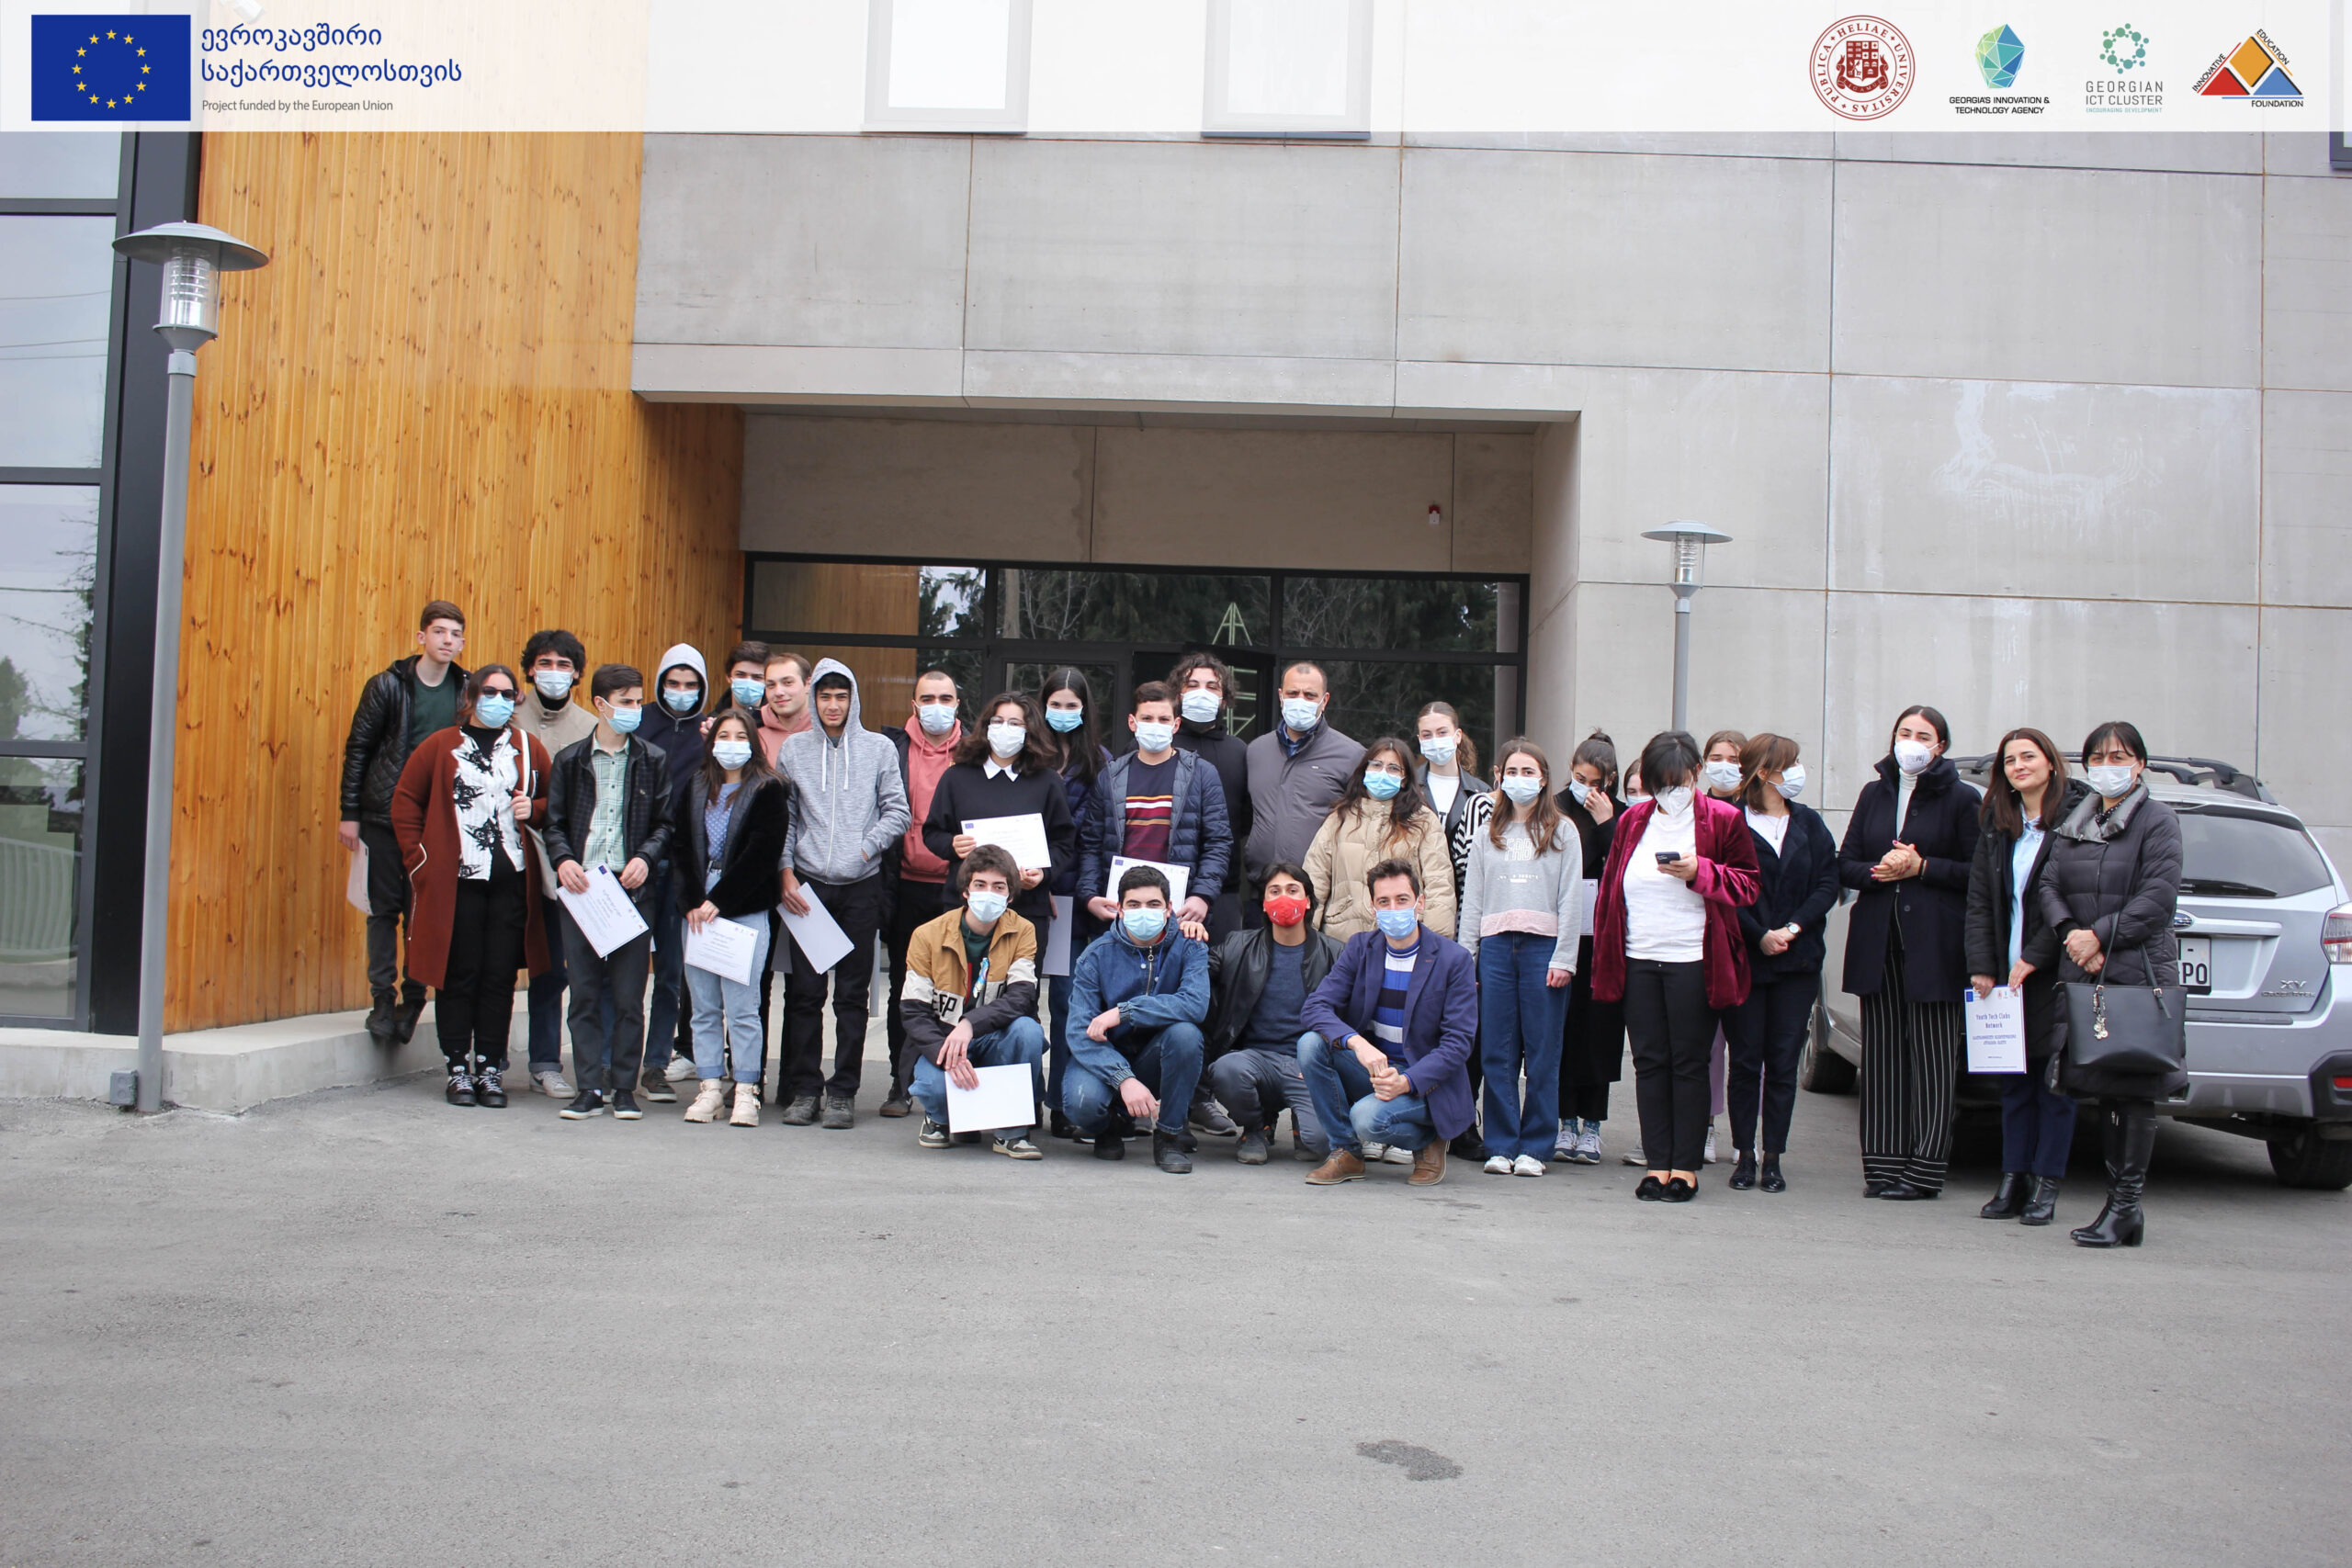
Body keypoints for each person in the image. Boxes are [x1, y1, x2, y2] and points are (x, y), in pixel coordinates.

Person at [1589, 731, 1760, 1202]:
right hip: (1639, 956)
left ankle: (1685, 1167)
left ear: (1696, 774)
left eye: (1678, 781)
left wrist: (1700, 872)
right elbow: (1612, 888)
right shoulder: (1633, 820)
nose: (1670, 791)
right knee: (1649, 1061)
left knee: (1689, 1062)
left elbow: (1748, 884)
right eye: (1660, 783)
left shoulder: (1722, 819)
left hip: (1694, 958)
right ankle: (1657, 1163)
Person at [2038, 720, 2185, 1249]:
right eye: (2097, 758)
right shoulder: (2076, 820)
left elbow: (2158, 897)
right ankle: (2122, 1211)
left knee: (2134, 1090)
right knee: (2104, 1089)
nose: (2107, 767)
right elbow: (2050, 884)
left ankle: (2124, 1207)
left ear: (2140, 763)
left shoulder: (2158, 821)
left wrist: (2098, 936)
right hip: (2085, 968)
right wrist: (2072, 934)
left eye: (2118, 757)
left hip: (2137, 971)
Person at [388, 665, 555, 1107]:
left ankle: (490, 1069)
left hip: (510, 881)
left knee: (499, 976)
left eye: (507, 693)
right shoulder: (440, 745)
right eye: (489, 691)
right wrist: (419, 861)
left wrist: (534, 808)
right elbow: (405, 801)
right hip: (457, 883)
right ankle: (458, 1069)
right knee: (458, 975)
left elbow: (555, 801)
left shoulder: (527, 747)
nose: (498, 700)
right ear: (472, 695)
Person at [1838, 704, 1981, 1200]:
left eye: (1923, 735)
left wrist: (1923, 868)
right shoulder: (1874, 793)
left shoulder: (1963, 799)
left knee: (1933, 1058)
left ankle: (1924, 1170)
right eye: (1905, 732)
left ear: (1940, 746)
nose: (1912, 742)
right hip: (1879, 941)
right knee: (1881, 1058)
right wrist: (1879, 871)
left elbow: (1977, 874)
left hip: (1935, 946)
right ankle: (1881, 1166)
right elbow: (1846, 864)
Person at [775, 660, 912, 1129]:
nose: (833, 705)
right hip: (808, 888)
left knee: (852, 997)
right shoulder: (794, 750)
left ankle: (842, 1093)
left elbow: (898, 811)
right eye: (824, 696)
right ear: (813, 699)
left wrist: (865, 848)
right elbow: (785, 819)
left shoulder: (878, 749)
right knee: (805, 994)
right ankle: (805, 1090)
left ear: (853, 699)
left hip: (861, 887)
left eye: (841, 696)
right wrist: (786, 872)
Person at [541, 664, 675, 1122]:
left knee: (628, 996)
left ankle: (623, 1088)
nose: (635, 709)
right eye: (626, 701)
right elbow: (554, 823)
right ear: (600, 704)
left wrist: (647, 857)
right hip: (583, 888)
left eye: (638, 701)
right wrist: (563, 860)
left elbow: (665, 824)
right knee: (582, 993)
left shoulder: (652, 759)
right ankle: (588, 1087)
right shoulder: (571, 760)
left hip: (632, 888)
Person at [1297, 858, 1478, 1188]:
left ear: (1420, 903)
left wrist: (1407, 1081)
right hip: (1377, 1069)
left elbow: (1458, 1043)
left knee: (1366, 1119)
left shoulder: (1454, 959)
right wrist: (1357, 1043)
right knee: (1310, 1044)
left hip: (1428, 1083)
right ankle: (1347, 1153)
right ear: (1373, 907)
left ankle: (1429, 1138)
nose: (1393, 909)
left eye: (1402, 900)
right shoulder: (1361, 948)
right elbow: (1315, 1006)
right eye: (1384, 901)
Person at [1966, 728, 2086, 1225]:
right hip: (2005, 977)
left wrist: (2036, 955)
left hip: (2056, 972)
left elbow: (2075, 899)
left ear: (2050, 763)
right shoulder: (1999, 822)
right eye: (2010, 760)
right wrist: (1982, 965)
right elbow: (1979, 900)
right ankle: (2012, 1179)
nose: (2019, 766)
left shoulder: (2078, 820)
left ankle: (2046, 1185)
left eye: (2028, 757)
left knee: (2054, 1085)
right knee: (2013, 1084)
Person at [339, 599, 468, 1049]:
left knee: (422, 912)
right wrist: (350, 814)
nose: (447, 640)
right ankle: (381, 999)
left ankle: (413, 1000)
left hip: (439, 821)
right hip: (383, 814)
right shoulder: (388, 685)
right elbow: (359, 748)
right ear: (421, 637)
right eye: (439, 632)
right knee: (383, 909)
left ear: (462, 643)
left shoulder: (466, 690)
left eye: (455, 634)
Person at [1458, 739, 1581, 1176]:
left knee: (1543, 1051)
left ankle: (1536, 1146)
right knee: (1497, 1051)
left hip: (1543, 949)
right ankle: (1501, 1143)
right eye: (1512, 771)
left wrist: (1565, 958)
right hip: (1495, 948)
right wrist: (1466, 957)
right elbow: (1473, 900)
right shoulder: (1486, 833)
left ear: (1544, 779)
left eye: (1529, 772)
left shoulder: (1563, 831)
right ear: (1499, 777)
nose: (1520, 779)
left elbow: (1570, 898)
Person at [1722, 733, 1838, 1192]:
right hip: (1747, 959)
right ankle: (1744, 1154)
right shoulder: (1731, 821)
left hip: (1798, 960)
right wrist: (1760, 934)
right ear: (1764, 772)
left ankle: (1773, 1156)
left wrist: (1792, 929)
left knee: (1783, 1062)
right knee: (1746, 1061)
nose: (1796, 773)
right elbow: (1723, 888)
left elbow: (1827, 883)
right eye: (1789, 765)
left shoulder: (1809, 822)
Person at [677, 710, 791, 1127]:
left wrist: (720, 900)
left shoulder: (768, 788)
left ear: (753, 743)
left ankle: (746, 1089)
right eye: (723, 736)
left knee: (743, 1007)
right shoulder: (695, 786)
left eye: (740, 736)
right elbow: (681, 846)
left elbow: (763, 852)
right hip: (697, 910)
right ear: (711, 743)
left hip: (743, 906)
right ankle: (709, 1087)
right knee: (703, 1006)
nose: (731, 744)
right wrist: (693, 900)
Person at [900, 844, 1047, 1159]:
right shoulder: (927, 935)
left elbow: (1021, 997)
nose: (988, 893)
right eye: (980, 884)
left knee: (1028, 1031)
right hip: (942, 1041)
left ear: (1010, 895)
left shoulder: (1024, 930)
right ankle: (940, 1118)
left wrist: (969, 1024)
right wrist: (948, 1057)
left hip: (993, 1037)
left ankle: (1011, 1131)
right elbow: (913, 1012)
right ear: (966, 891)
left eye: (999, 887)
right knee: (934, 1088)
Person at [1061, 865, 1210, 1173]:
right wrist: (1123, 1079)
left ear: (1169, 909)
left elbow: (1195, 1005)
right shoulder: (1095, 955)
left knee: (1186, 1035)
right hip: (1105, 1057)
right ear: (1119, 909)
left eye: (1153, 904)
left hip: (1156, 1056)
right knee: (1081, 1104)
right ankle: (1111, 1124)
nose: (1144, 911)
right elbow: (1079, 1031)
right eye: (1134, 904)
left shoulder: (1190, 946)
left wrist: (1126, 1011)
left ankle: (1169, 1135)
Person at [1197, 863, 1341, 1164]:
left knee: (1321, 1144)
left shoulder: (1335, 953)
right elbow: (1196, 973)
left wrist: (1326, 1062)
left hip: (1306, 1064)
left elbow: (1351, 1017)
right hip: (1254, 1061)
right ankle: (1255, 1127)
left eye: (1292, 890)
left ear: (1308, 901)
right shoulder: (1238, 945)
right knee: (1226, 1069)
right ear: (1264, 903)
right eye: (1274, 891)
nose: (1283, 898)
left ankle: (1303, 1125)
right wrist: (1187, 937)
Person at [1077, 682, 1233, 940]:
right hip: (1121, 912)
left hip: (1180, 914)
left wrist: (1202, 895)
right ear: (1132, 722)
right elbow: (1091, 843)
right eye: (1147, 718)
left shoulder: (1202, 774)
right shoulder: (1110, 777)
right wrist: (1090, 895)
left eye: (1163, 719)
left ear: (1176, 724)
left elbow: (1218, 842)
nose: (1155, 725)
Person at [514, 629, 598, 1099]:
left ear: (577, 674)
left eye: (563, 665)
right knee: (493, 965)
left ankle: (546, 1062)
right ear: (529, 669)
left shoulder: (589, 726)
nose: (553, 673)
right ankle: (485, 1059)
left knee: (553, 969)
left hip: (560, 867)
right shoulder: (507, 714)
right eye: (544, 663)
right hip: (506, 863)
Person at [880, 668, 967, 1119]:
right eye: (927, 698)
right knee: (906, 986)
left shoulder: (973, 751)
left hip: (958, 890)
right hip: (905, 886)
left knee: (958, 990)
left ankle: (953, 1078)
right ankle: (901, 1081)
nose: (937, 706)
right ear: (913, 705)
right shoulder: (891, 749)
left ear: (958, 704)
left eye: (945, 698)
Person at [923, 693, 1077, 931]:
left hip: (1026, 908)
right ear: (986, 726)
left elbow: (1064, 843)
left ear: (1030, 730)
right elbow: (932, 832)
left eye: (1015, 723)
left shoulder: (1048, 782)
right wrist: (952, 845)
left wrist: (1042, 873)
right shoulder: (957, 777)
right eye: (997, 721)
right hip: (964, 905)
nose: (1005, 728)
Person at [1040, 668, 1111, 1140]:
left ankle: (1063, 1103)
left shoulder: (1101, 762)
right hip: (1027, 892)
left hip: (1076, 901)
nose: (1063, 713)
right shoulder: (1028, 755)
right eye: (1055, 704)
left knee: (1068, 1003)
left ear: (1085, 710)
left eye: (1072, 705)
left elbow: (1093, 835)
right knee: (1016, 1000)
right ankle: (1018, 1100)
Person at [638, 642, 710, 1102]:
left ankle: (655, 1065)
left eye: (690, 685)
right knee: (621, 972)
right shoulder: (639, 721)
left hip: (681, 865)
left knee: (669, 973)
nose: (681, 691)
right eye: (673, 683)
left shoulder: (709, 732)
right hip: (635, 863)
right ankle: (609, 1064)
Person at [1555, 731, 1627, 1166]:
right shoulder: (1557, 808)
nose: (1585, 788)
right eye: (1579, 778)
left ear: (1610, 780)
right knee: (1564, 1028)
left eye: (1595, 782)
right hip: (1564, 933)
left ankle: (1593, 1124)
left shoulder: (1621, 814)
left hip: (1605, 940)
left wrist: (1606, 823)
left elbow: (1625, 867)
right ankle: (1565, 1121)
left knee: (1601, 1031)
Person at [1304, 739, 1456, 941]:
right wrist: (1306, 938)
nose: (1383, 772)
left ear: (1404, 779)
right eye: (1376, 765)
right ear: (1365, 770)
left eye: (1393, 768)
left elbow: (1439, 885)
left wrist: (1435, 944)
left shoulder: (1423, 821)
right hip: (1343, 939)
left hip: (1405, 939)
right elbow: (1315, 880)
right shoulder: (1339, 819)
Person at [1244, 660, 1363, 891]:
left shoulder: (1352, 755)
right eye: (1293, 693)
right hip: (1263, 888)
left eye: (1309, 695)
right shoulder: (1256, 751)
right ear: (1281, 696)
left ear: (1324, 701)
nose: (1300, 700)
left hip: (1320, 891)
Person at [1168, 649, 1255, 940]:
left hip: (1223, 893)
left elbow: (1244, 820)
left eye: (1212, 686)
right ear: (1178, 695)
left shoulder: (1240, 752)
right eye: (1192, 685)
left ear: (1224, 699)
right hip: (1161, 889)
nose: (1201, 693)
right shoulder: (1157, 746)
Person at [1696, 728, 1748, 1162]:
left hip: (1750, 941)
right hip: (1706, 942)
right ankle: (1707, 1124)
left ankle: (1749, 1136)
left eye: (1734, 759)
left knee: (1749, 1050)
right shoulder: (1698, 813)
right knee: (1708, 1046)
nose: (1724, 766)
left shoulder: (1754, 812)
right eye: (1716, 757)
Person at [755, 649, 814, 765]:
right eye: (771, 685)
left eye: (788, 683)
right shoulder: (753, 734)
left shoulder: (828, 732)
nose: (778, 692)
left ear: (808, 684)